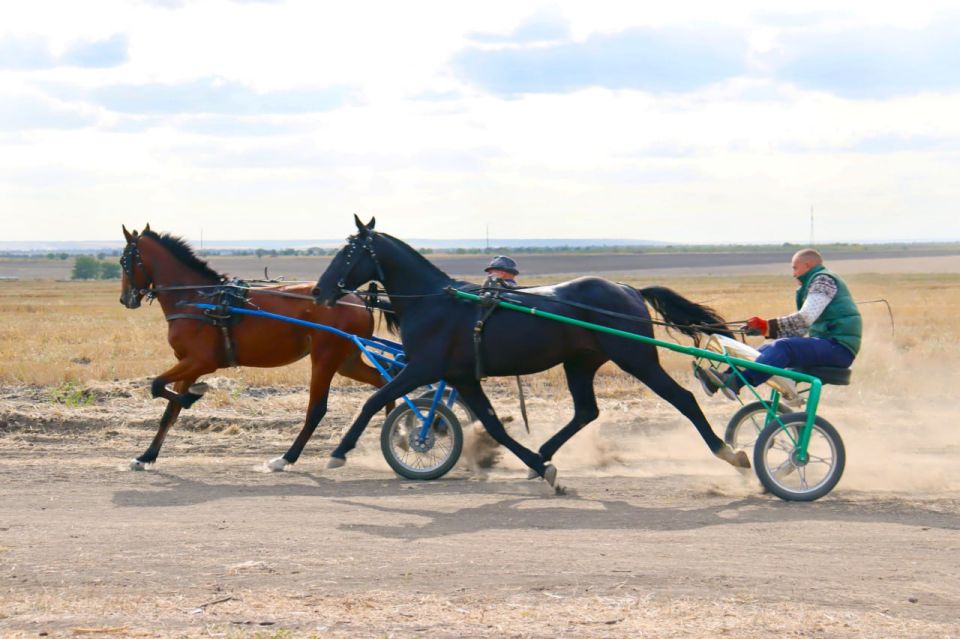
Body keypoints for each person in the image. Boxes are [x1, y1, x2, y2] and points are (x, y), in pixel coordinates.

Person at [695, 248, 862, 400]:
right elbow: (800, 329)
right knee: (766, 349)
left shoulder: (823, 280)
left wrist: (766, 325)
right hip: (828, 345)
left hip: (838, 348)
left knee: (783, 347)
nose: (793, 274)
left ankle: (736, 382)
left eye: (795, 268)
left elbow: (805, 318)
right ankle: (721, 380)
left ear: (808, 265)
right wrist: (764, 330)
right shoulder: (813, 282)